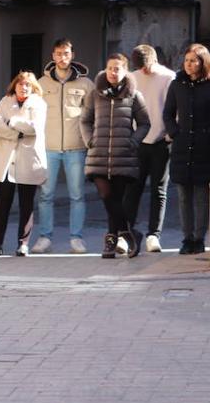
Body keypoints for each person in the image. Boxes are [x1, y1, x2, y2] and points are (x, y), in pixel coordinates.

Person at [81, 54, 150, 258]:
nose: (113, 72)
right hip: (98, 155)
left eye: (117, 68)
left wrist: (134, 141)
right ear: (106, 69)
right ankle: (129, 234)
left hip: (123, 156)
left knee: (117, 200)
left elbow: (145, 123)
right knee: (106, 196)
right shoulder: (94, 94)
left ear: (125, 71)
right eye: (110, 68)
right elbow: (85, 120)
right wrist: (89, 141)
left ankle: (111, 240)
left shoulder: (134, 96)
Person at [33, 39, 95, 254]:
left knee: (77, 195)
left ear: (72, 55)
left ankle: (76, 238)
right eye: (59, 53)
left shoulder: (86, 84)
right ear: (53, 55)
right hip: (48, 148)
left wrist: (90, 141)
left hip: (75, 147)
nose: (62, 57)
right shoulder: (41, 83)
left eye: (66, 53)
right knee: (45, 195)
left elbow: (92, 115)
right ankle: (44, 237)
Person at [0, 71, 47, 257]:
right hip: (6, 160)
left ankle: (23, 243)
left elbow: (34, 128)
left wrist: (12, 121)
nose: (24, 87)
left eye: (28, 84)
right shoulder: (4, 102)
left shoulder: (39, 104)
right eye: (20, 84)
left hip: (28, 159)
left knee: (26, 204)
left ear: (33, 87)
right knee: (2, 203)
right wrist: (18, 133)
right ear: (15, 85)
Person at [124, 44, 176, 253]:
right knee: (132, 189)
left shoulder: (168, 77)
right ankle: (126, 233)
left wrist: (171, 133)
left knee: (159, 190)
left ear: (154, 60)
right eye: (140, 67)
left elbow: (174, 107)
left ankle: (154, 234)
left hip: (162, 141)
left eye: (147, 66)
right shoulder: (131, 77)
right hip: (138, 141)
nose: (144, 71)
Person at [161, 44, 210, 255]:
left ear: (203, 63)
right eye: (187, 60)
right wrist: (174, 132)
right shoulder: (176, 85)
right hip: (182, 147)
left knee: (201, 196)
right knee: (182, 196)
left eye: (194, 60)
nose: (189, 64)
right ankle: (186, 238)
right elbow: (168, 114)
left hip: (204, 147)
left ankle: (199, 239)